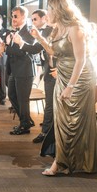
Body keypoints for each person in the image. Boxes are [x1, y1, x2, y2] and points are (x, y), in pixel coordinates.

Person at [30, 0, 97, 176]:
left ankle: (63, 163)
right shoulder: (57, 29)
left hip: (80, 79)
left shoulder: (75, 29)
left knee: (75, 121)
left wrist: (71, 86)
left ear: (59, 11)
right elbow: (54, 52)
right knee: (61, 120)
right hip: (63, 76)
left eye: (50, 9)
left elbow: (81, 59)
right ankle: (65, 162)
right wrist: (38, 37)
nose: (47, 13)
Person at [4, 6, 42, 136]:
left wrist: (7, 46)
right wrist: (8, 46)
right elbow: (13, 51)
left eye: (15, 16)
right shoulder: (16, 31)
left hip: (25, 71)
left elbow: (21, 52)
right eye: (12, 16)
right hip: (15, 70)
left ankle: (24, 124)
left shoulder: (30, 31)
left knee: (22, 100)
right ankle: (26, 121)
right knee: (12, 96)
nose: (13, 19)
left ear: (24, 17)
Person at [31, 9, 57, 152]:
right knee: (49, 105)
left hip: (62, 73)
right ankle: (45, 133)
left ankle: (57, 135)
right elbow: (37, 48)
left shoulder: (65, 31)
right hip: (49, 73)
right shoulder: (45, 32)